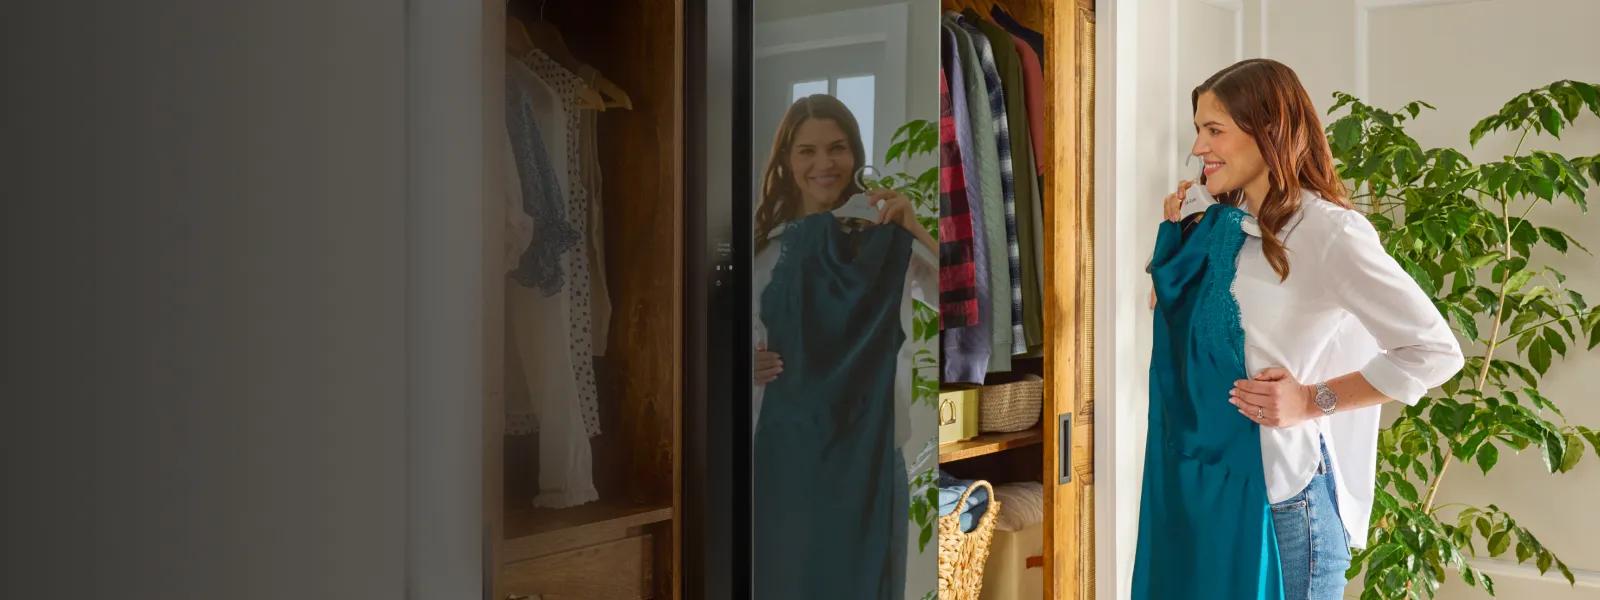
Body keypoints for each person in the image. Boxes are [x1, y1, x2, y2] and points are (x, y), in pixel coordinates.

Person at [1151, 59, 1465, 599]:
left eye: (1215, 130)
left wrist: (1311, 400)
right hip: (1200, 492)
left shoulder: (1328, 231)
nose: (1199, 147)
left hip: (1282, 511)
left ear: (1268, 130)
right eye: (1198, 130)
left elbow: (1434, 350)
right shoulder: (1218, 224)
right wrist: (1181, 245)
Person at [748, 94, 936, 599]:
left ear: (854, 154)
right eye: (806, 151)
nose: (823, 164)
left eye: (837, 148)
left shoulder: (887, 237)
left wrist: (913, 227)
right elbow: (724, 346)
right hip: (790, 456)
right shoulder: (763, 250)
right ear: (787, 161)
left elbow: (960, 298)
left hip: (874, 453)